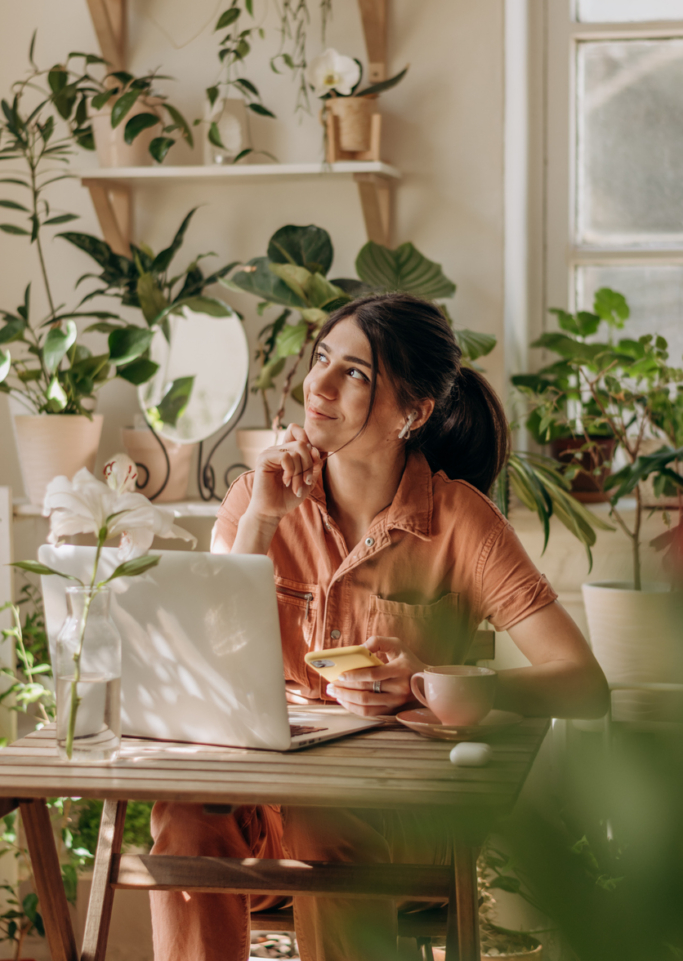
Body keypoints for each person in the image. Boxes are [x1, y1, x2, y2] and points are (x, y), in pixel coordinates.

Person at [150, 293, 609, 961]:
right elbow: (206, 664)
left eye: (356, 374)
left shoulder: (461, 521)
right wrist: (263, 523)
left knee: (323, 812)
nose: (320, 385)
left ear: (413, 413)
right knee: (187, 816)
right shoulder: (258, 499)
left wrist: (440, 687)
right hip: (267, 825)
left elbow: (583, 684)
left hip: (398, 832)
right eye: (322, 358)